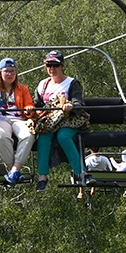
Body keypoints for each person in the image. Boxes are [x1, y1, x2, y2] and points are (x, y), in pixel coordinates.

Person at [33, 50, 86, 192]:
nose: (52, 69)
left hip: (68, 120)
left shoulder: (72, 83)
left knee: (63, 137)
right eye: (49, 65)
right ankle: (42, 177)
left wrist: (71, 106)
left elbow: (79, 103)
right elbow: (36, 105)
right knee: (43, 137)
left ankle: (81, 172)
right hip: (50, 121)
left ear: (62, 66)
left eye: (55, 65)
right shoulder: (43, 85)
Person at [0, 57, 35, 185]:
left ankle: (14, 170)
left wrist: (29, 109)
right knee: (1, 136)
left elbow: (29, 105)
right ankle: (13, 170)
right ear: (0, 72)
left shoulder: (23, 89)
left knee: (29, 135)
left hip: (18, 119)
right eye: (7, 71)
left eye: (12, 71)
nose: (10, 74)